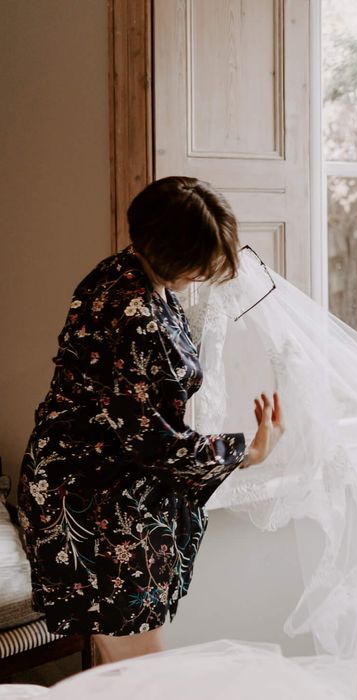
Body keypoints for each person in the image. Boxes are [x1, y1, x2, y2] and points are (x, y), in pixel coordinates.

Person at [17, 176, 284, 664]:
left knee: (122, 667)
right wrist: (248, 450)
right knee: (144, 667)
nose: (206, 271)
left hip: (90, 487)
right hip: (94, 502)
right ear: (170, 248)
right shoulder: (136, 311)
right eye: (200, 259)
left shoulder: (122, 271)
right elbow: (154, 442)